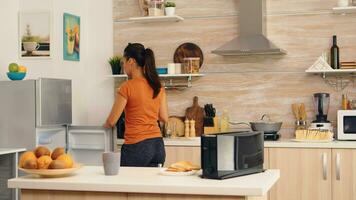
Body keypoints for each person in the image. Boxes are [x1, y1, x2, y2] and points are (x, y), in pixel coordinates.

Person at [104, 43, 169, 167]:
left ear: (131, 61)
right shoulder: (157, 86)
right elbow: (164, 118)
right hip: (157, 146)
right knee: (150, 185)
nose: (123, 66)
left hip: (137, 147)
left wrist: (102, 127)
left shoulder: (127, 87)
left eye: (123, 62)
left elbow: (112, 121)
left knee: (126, 184)